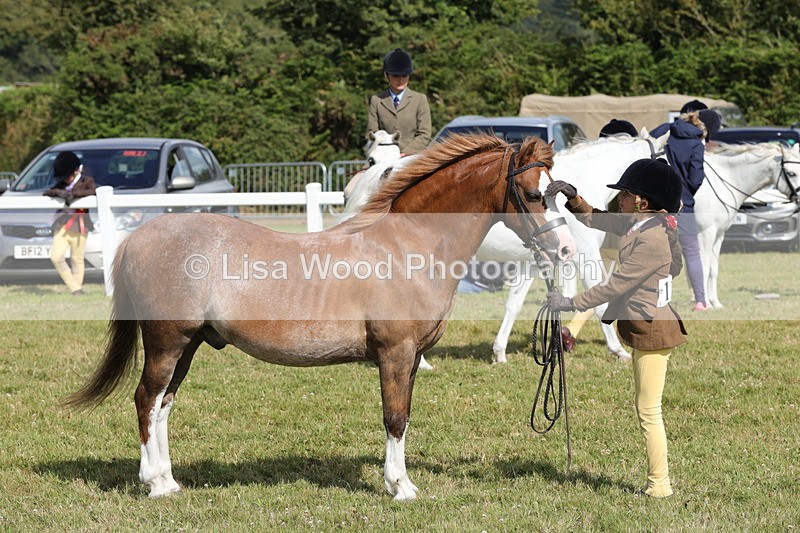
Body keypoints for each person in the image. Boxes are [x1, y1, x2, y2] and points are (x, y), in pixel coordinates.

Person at [545, 158, 687, 498]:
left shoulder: (651, 239)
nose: (618, 198)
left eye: (624, 193)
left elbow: (613, 287)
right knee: (646, 409)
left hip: (653, 332)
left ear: (641, 202)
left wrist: (569, 302)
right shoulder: (641, 224)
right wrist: (574, 198)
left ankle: (660, 485)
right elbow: (596, 218)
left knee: (648, 412)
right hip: (644, 326)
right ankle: (659, 482)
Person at [561, 118, 637, 354]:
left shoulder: (595, 167)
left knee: (599, 287)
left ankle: (572, 330)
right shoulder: (622, 170)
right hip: (613, 237)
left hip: (600, 234)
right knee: (605, 288)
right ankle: (614, 337)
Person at [665, 108, 721, 311]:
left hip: (660, 204)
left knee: (661, 252)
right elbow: (697, 178)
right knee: (691, 252)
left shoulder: (667, 136)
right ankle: (700, 300)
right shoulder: (696, 144)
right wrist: (687, 192)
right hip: (684, 205)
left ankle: (662, 300)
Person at [43, 151, 97, 295]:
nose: (66, 180)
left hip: (80, 225)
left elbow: (93, 191)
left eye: (68, 176)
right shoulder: (61, 184)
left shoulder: (86, 181)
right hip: (62, 225)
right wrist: (59, 193)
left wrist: (74, 195)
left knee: (76, 259)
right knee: (56, 257)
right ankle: (75, 287)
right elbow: (47, 192)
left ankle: (77, 291)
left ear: (76, 170)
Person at [366, 48, 432, 156]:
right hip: (384, 155)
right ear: (387, 75)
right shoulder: (376, 100)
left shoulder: (420, 99)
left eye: (404, 76)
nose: (401, 80)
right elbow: (372, 134)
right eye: (395, 76)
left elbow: (424, 134)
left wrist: (405, 153)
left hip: (411, 155)